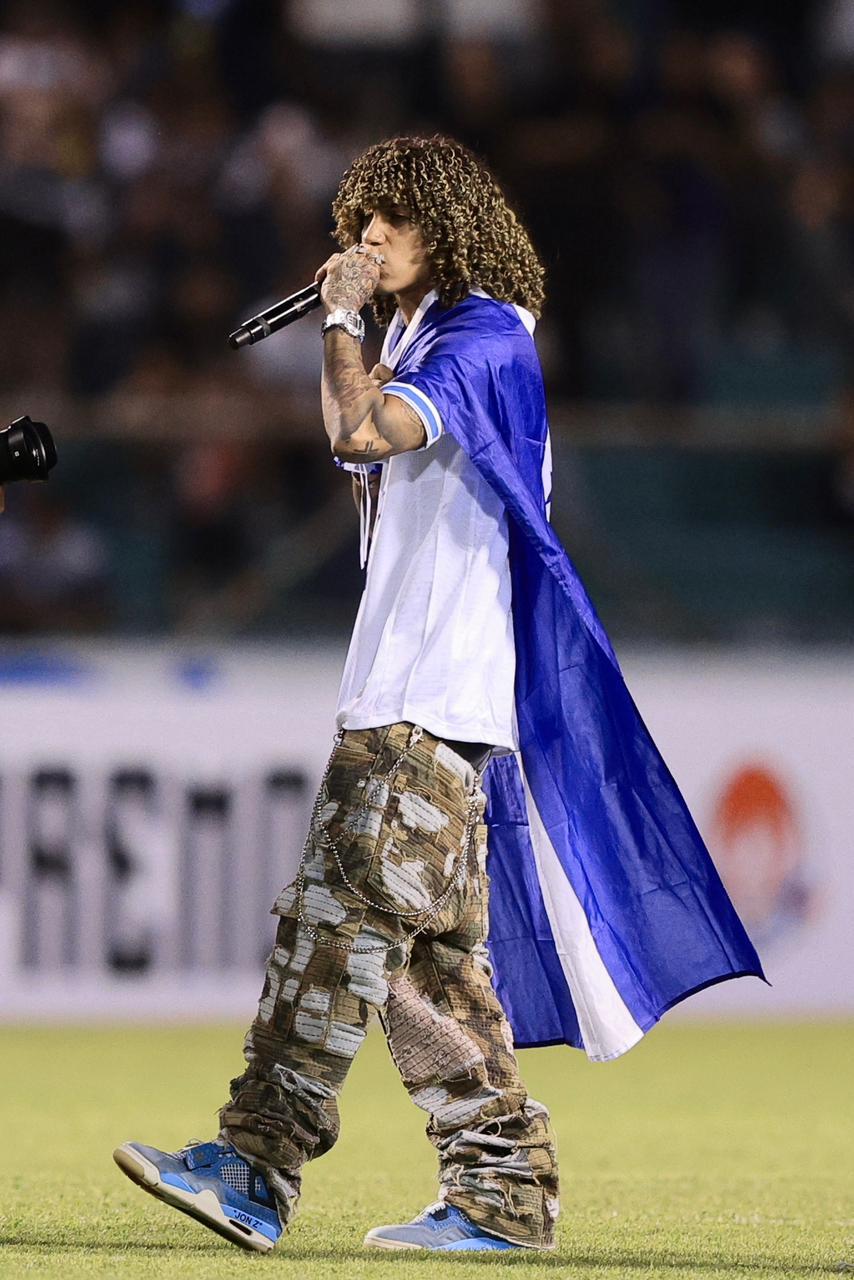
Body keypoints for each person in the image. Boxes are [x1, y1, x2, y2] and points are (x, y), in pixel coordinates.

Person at [113, 135, 762, 1255]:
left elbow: (359, 428)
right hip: (432, 708)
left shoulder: (483, 336)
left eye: (390, 221)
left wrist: (334, 320)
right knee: (427, 970)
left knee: (330, 930)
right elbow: (357, 440)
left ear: (447, 229)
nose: (365, 239)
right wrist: (357, 322)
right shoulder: (427, 335)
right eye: (357, 220)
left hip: (419, 705)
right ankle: (503, 1192)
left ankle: (255, 1166)